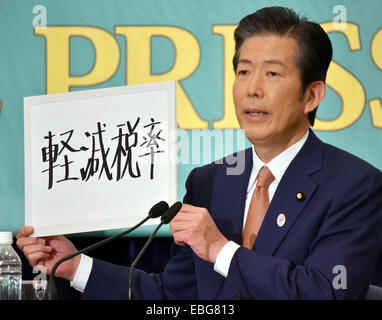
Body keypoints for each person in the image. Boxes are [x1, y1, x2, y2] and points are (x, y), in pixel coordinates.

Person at [17, 6, 382, 299]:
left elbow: (327, 291)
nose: (252, 89)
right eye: (243, 71)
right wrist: (73, 266)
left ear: (311, 96)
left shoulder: (355, 186)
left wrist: (221, 250)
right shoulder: (211, 182)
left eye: (272, 74)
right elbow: (173, 296)